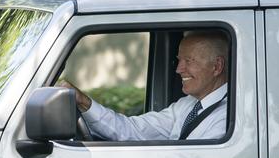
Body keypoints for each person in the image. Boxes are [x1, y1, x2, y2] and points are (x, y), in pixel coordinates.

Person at [59, 30, 229, 140]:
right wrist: (83, 102)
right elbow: (132, 131)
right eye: (179, 61)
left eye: (188, 61)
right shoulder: (186, 105)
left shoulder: (231, 116)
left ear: (217, 66)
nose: (178, 69)